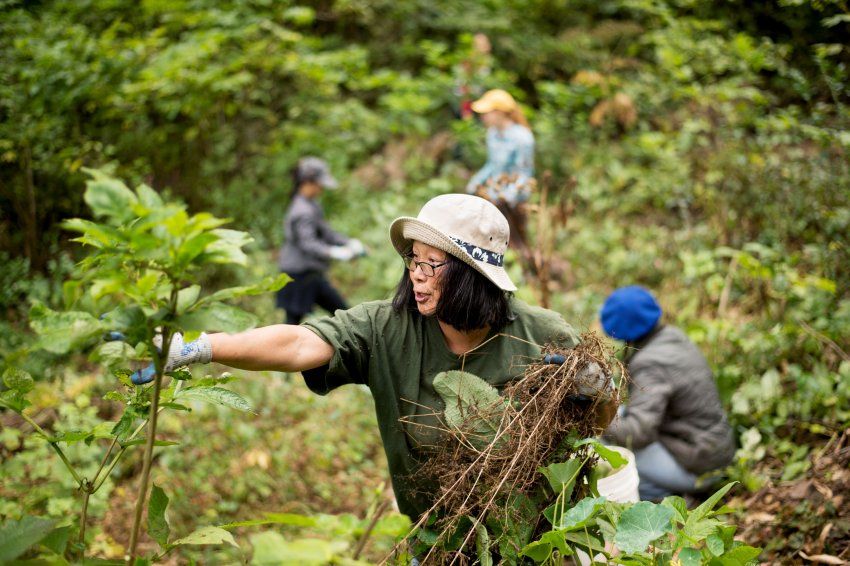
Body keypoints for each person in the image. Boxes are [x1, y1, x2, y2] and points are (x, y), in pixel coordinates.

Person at [136, 193, 615, 521]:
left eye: (431, 264)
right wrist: (202, 346)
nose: (417, 277)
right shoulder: (386, 328)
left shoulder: (543, 335)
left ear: (472, 275)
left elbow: (596, 423)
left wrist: (594, 389)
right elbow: (301, 344)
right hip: (437, 537)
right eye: (413, 260)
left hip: (526, 539)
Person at [600, 286, 736, 501]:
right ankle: (664, 489)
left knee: (602, 441)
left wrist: (594, 419)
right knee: (620, 413)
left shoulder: (649, 363)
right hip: (715, 449)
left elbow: (637, 434)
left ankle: (664, 496)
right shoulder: (672, 336)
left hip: (699, 466)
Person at [276, 156, 364, 324]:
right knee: (292, 325)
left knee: (344, 313)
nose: (321, 188)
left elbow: (327, 234)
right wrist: (333, 252)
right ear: (308, 182)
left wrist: (348, 242)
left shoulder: (312, 205)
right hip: (298, 278)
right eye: (319, 184)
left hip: (312, 275)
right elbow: (307, 243)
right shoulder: (302, 211)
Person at [465, 89, 536, 261]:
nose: (483, 117)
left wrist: (507, 196)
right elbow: (492, 165)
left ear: (500, 112)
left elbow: (524, 173)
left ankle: (528, 270)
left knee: (517, 241)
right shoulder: (492, 135)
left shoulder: (523, 138)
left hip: (514, 200)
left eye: (487, 113)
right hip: (494, 195)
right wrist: (475, 182)